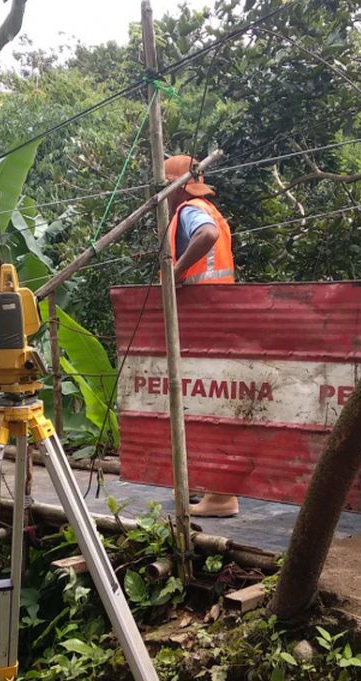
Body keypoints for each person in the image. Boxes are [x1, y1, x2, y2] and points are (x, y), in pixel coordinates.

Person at [163, 154, 239, 518]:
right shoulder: (208, 208)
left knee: (207, 406)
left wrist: (173, 276)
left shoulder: (192, 209)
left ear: (175, 186)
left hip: (204, 319)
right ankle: (216, 490)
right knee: (213, 404)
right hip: (220, 316)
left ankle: (221, 497)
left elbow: (204, 235)